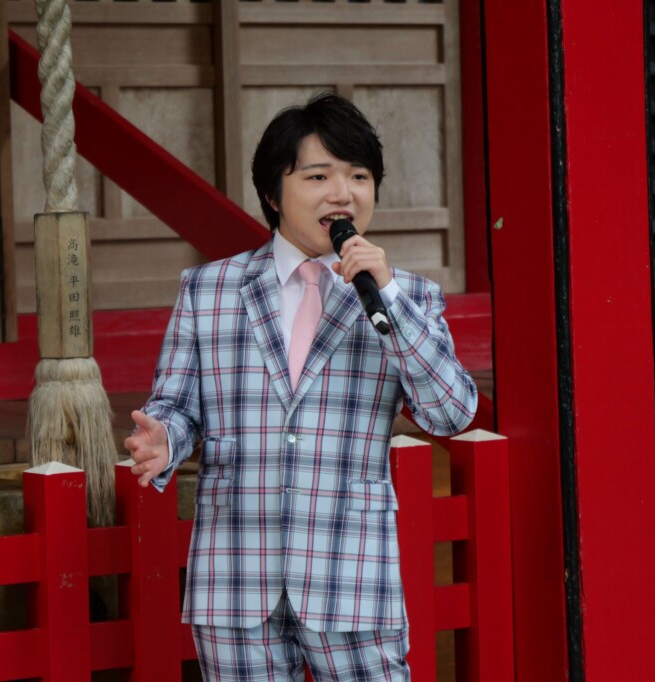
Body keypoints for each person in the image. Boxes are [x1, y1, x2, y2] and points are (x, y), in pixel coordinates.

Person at [125, 92, 477, 681]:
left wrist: (385, 297)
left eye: (359, 176)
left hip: (352, 573)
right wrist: (166, 438)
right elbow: (177, 404)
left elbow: (451, 412)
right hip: (235, 576)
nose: (343, 193)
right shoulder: (208, 290)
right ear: (272, 193)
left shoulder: (407, 296)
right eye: (319, 175)